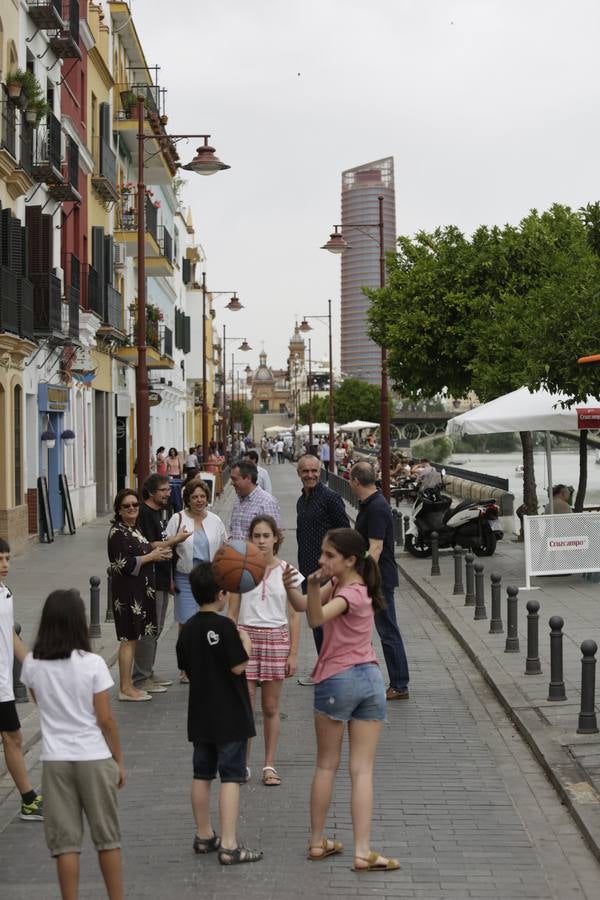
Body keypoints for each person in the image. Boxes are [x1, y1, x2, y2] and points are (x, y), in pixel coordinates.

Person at [284, 528, 400, 872]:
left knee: (326, 766)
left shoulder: (353, 592)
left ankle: (317, 841)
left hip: (338, 679)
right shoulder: (342, 585)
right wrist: (292, 582)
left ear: (350, 560)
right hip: (369, 681)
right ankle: (362, 850)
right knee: (361, 770)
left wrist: (312, 582)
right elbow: (304, 605)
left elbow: (316, 618)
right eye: (322, 553)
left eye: (329, 555)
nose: (321, 560)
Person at [20, 589, 125, 900]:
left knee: (65, 844)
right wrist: (118, 760)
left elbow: (41, 704)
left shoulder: (33, 666)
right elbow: (106, 720)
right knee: (107, 838)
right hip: (93, 755)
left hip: (55, 760)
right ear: (80, 622)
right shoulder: (92, 664)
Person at [176, 563, 263, 866]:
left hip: (200, 715)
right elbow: (238, 667)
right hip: (230, 715)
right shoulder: (226, 627)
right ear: (221, 593)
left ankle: (203, 835)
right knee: (230, 776)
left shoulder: (187, 628)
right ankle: (229, 844)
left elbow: (185, 667)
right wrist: (247, 647)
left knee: (202, 774)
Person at [228, 516, 302, 786]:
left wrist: (293, 653)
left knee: (270, 707)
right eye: (256, 536)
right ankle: (242, 764)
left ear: (276, 538)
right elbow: (232, 613)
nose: (261, 541)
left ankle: (269, 765)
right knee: (245, 707)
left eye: (266, 536)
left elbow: (294, 614)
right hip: (246, 639)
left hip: (275, 640)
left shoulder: (287, 571)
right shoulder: (240, 571)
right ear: (250, 538)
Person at [350, 461, 410, 700]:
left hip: (379, 579)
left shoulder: (376, 507)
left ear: (355, 480)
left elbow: (375, 548)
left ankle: (399, 684)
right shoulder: (371, 503)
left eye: (350, 480)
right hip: (377, 578)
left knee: (388, 630)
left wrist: (363, 579)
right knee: (382, 629)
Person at [107, 489, 172, 701]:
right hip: (127, 594)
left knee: (134, 639)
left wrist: (157, 555)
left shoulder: (133, 529)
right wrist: (151, 556)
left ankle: (129, 685)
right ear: (119, 509)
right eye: (127, 506)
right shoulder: (118, 533)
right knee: (128, 639)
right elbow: (123, 564)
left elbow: (144, 552)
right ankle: (125, 688)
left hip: (140, 592)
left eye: (135, 504)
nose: (132, 508)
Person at [133, 475, 192, 694]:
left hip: (162, 577)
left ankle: (148, 671)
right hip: (150, 579)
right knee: (150, 628)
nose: (168, 493)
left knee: (156, 628)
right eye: (163, 490)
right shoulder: (145, 513)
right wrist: (175, 540)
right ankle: (140, 676)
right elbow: (147, 544)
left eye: (168, 489)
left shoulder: (160, 513)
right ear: (151, 492)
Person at [166, 478, 227, 682]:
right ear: (187, 499)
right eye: (194, 497)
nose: (199, 500)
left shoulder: (215, 520)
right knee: (186, 622)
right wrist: (169, 579)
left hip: (209, 578)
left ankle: (206, 663)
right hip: (184, 577)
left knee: (209, 621)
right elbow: (167, 548)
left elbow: (223, 548)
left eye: (202, 496)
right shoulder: (177, 519)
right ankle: (185, 668)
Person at [0, 539, 44, 821]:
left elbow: (10, 634)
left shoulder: (5, 592)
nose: (4, 565)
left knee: (13, 737)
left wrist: (30, 664)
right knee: (13, 737)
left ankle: (28, 800)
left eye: (7, 559)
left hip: (3, 683)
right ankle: (28, 799)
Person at [295, 455, 349, 662]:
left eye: (314, 471)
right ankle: (324, 667)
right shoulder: (302, 501)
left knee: (331, 625)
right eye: (305, 471)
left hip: (328, 574)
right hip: (308, 573)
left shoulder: (330, 498)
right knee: (316, 624)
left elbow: (345, 534)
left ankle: (336, 668)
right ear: (298, 473)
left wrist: (340, 570)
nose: (310, 475)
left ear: (320, 472)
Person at [229, 460, 281, 540]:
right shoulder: (238, 501)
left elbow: (274, 538)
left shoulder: (267, 502)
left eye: (234, 479)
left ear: (248, 478)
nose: (231, 483)